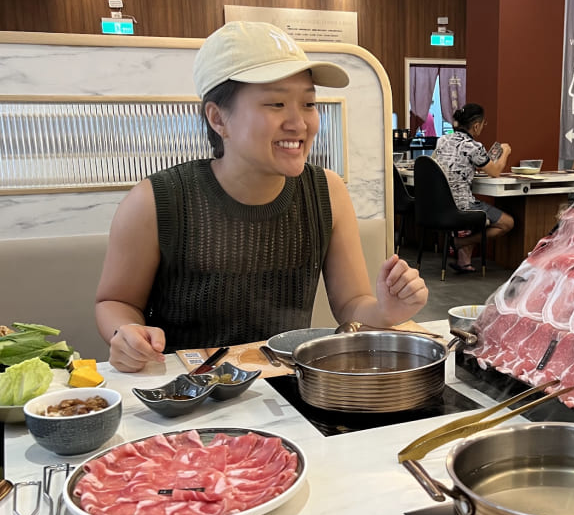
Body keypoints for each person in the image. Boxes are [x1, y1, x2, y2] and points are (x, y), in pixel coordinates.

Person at [96, 20, 428, 372]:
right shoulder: (156, 200)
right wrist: (127, 332)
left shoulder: (327, 192)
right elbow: (115, 300)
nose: (299, 122)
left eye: (308, 103)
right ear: (218, 118)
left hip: (287, 388)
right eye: (275, 104)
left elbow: (352, 304)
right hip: (189, 394)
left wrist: (386, 311)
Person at [433, 103, 514, 273]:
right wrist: (505, 151)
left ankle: (464, 262)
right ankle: (460, 243)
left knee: (479, 215)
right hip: (462, 206)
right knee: (507, 223)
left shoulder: (442, 140)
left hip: (440, 204)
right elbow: (495, 172)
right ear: (476, 125)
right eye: (483, 125)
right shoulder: (473, 147)